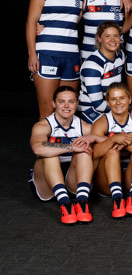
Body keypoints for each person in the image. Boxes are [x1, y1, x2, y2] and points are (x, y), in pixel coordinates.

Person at [26, 0, 92, 120]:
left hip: (71, 56)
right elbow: (31, 22)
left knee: (68, 108)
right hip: (47, 53)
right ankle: (45, 145)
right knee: (48, 109)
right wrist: (32, 54)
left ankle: (63, 146)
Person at [28, 86, 102, 225]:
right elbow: (37, 148)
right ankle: (65, 204)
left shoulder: (85, 126)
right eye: (61, 101)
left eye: (71, 102)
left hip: (73, 178)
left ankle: (81, 202)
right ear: (54, 104)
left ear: (76, 103)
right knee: (49, 152)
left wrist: (93, 138)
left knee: (84, 149)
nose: (66, 106)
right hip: (46, 180)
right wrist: (69, 146)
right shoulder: (42, 126)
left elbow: (108, 141)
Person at [91, 82, 132, 218]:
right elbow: (94, 153)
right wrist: (112, 139)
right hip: (107, 180)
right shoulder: (102, 122)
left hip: (130, 177)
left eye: (122, 98)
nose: (118, 102)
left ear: (130, 100)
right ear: (108, 103)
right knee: (112, 151)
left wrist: (129, 138)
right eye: (113, 99)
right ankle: (117, 200)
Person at [77, 21, 125, 124]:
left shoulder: (120, 56)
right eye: (107, 36)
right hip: (90, 110)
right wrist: (124, 108)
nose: (112, 40)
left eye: (116, 36)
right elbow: (98, 105)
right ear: (99, 39)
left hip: (112, 107)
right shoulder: (92, 65)